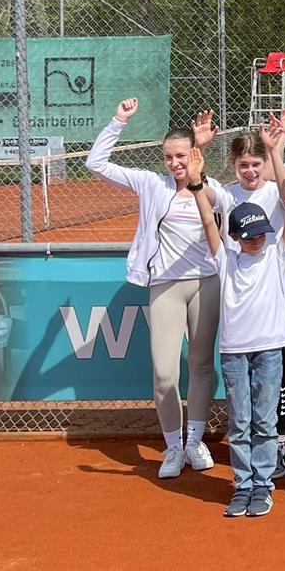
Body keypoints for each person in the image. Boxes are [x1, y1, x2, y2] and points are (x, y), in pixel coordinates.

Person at [86, 98, 223, 479]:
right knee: (164, 374)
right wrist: (119, 120)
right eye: (168, 157)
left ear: (193, 154)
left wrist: (199, 159)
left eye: (181, 156)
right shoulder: (150, 184)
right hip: (165, 284)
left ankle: (195, 441)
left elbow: (225, 208)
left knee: (199, 365)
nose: (174, 164)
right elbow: (95, 164)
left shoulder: (213, 191)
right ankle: (173, 446)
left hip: (207, 282)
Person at [193, 145, 285, 517]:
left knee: (265, 421)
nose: (256, 240)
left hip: (271, 349)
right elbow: (211, 224)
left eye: (261, 233)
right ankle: (242, 487)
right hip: (234, 353)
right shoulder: (224, 259)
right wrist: (196, 186)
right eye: (249, 235)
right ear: (236, 237)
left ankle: (263, 486)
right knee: (239, 423)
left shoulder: (277, 254)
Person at [216, 121, 285, 479]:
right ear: (233, 165)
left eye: (255, 164)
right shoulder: (226, 194)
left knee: (276, 374)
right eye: (243, 165)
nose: (250, 171)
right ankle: (248, 452)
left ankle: (277, 440)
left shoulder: (273, 190)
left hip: (278, 289)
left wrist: (279, 147)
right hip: (239, 291)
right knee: (246, 384)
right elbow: (203, 203)